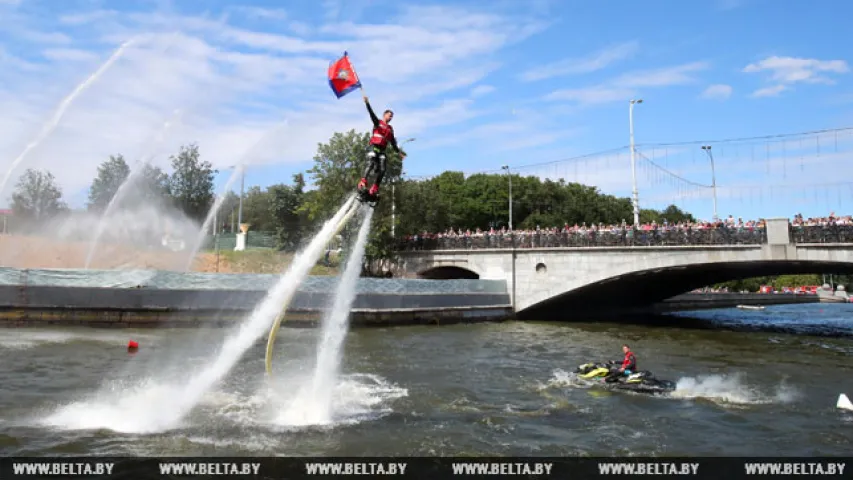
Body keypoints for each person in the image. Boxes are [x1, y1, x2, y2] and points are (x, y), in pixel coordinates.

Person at [358, 94, 406, 197]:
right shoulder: (377, 123)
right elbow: (371, 114)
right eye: (390, 115)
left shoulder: (390, 129)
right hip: (373, 147)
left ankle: (374, 187)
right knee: (370, 164)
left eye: (392, 116)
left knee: (383, 169)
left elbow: (393, 143)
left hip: (382, 150)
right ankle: (363, 181)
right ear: (384, 115)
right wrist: (367, 103)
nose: (391, 117)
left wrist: (399, 153)